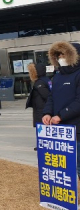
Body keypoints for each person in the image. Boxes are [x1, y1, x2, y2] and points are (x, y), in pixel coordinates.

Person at [42, 41, 80, 179]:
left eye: (63, 54)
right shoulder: (58, 75)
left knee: (79, 165)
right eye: (58, 55)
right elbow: (51, 97)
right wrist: (47, 112)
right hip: (60, 130)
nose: (60, 58)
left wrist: (60, 115)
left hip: (77, 129)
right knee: (64, 166)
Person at [26, 62, 50, 151]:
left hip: (41, 109)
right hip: (41, 108)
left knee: (41, 127)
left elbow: (47, 96)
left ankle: (42, 144)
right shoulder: (47, 79)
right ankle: (42, 143)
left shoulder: (39, 83)